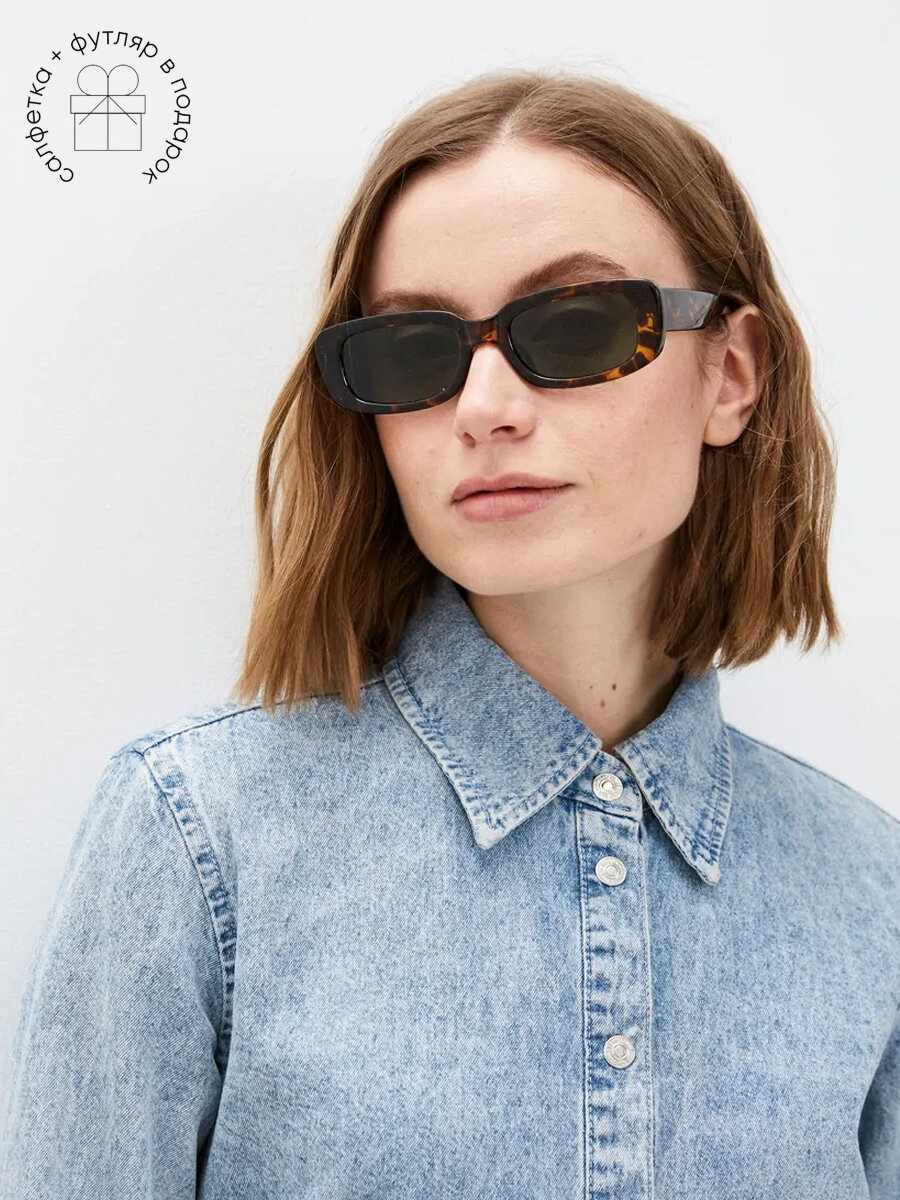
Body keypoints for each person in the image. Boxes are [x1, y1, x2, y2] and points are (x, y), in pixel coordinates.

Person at [1, 68, 897, 1200]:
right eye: (413, 351)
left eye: (578, 323)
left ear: (730, 373)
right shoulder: (196, 836)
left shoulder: (871, 892)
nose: (484, 409)